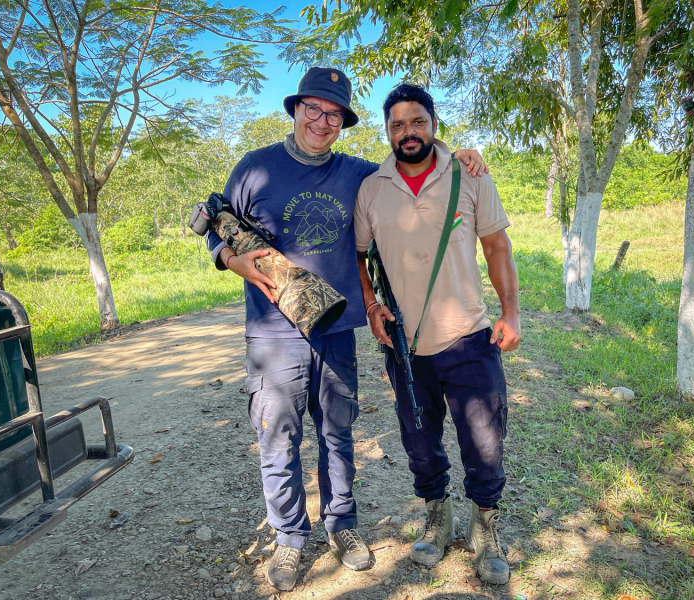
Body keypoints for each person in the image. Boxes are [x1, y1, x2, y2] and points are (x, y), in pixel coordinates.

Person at [205, 68, 488, 592]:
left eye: (333, 113)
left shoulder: (356, 173)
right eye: (312, 108)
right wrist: (228, 258)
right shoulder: (254, 168)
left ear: (344, 123)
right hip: (272, 334)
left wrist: (458, 151)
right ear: (294, 110)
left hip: (336, 330)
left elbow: (412, 153)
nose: (321, 121)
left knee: (338, 433)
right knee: (278, 438)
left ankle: (342, 526)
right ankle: (290, 538)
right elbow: (217, 225)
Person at [354, 83, 521, 585]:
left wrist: (511, 312)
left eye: (417, 121)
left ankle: (486, 529)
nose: (408, 132)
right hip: (406, 347)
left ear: (433, 124)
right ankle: (436, 517)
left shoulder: (469, 177)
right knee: (420, 443)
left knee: (485, 443)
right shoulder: (372, 188)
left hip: (469, 337)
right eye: (398, 124)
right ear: (388, 131)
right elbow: (358, 256)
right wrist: (370, 304)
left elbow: (497, 249)